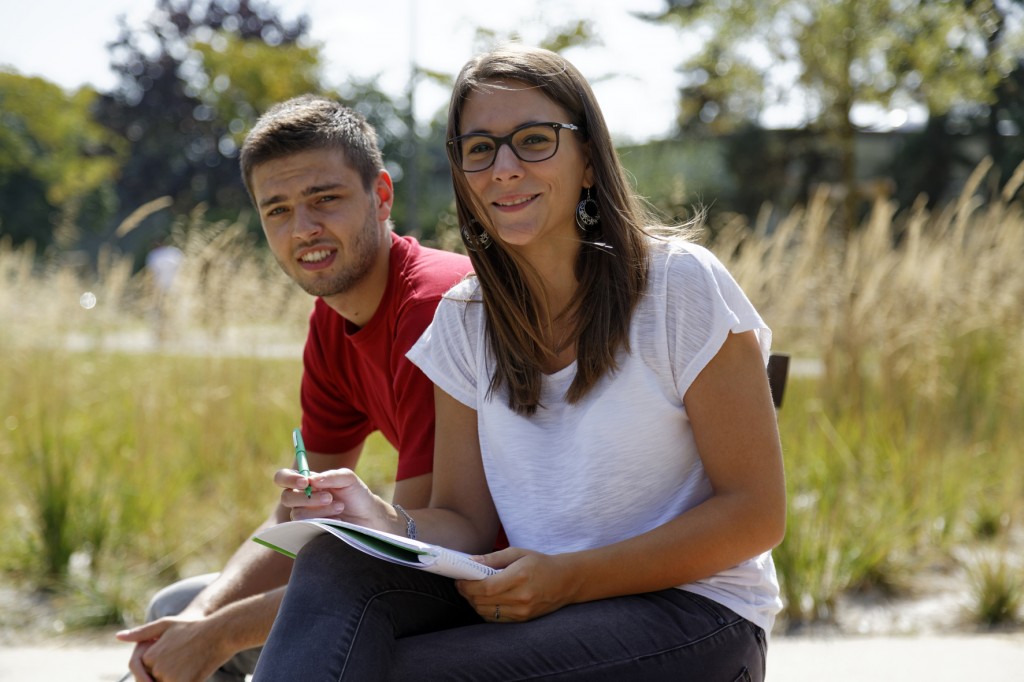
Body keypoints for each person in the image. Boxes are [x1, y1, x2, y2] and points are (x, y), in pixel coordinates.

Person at [253, 43, 786, 681]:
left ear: (588, 158)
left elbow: (756, 513)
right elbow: (466, 523)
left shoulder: (678, 286)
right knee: (335, 564)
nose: (503, 168)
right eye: (479, 149)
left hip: (695, 617)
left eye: (533, 140)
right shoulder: (463, 317)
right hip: (543, 609)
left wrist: (570, 579)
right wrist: (378, 518)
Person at [115, 95, 472, 682]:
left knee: (214, 636)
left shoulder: (432, 307)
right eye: (276, 209)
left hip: (483, 581)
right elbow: (294, 514)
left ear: (381, 196)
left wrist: (218, 635)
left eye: (324, 199)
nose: (302, 228)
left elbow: (411, 557)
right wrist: (198, 621)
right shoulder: (332, 319)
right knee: (175, 609)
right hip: (415, 574)